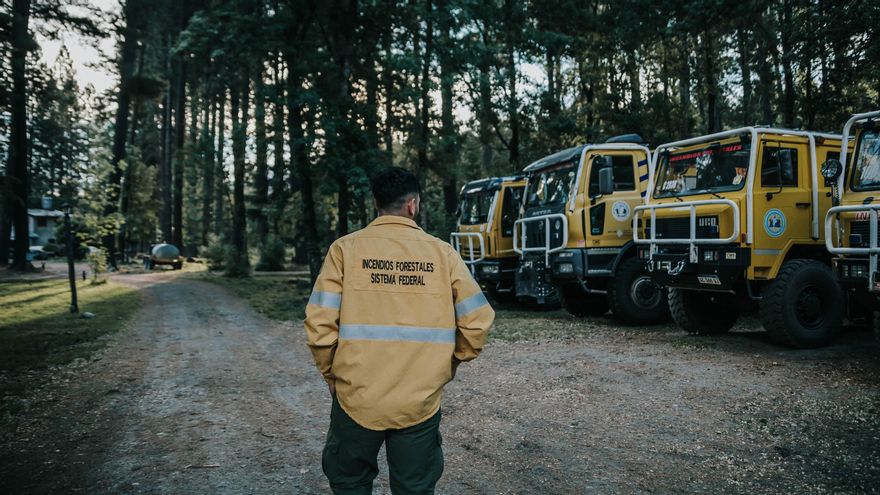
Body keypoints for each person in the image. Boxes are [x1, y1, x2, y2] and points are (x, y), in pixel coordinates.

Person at [304, 167, 495, 494]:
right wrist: (448, 365)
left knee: (350, 482)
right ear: (413, 205)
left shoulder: (344, 251)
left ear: (376, 202)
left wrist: (331, 376)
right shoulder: (442, 253)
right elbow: (477, 320)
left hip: (356, 398)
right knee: (415, 488)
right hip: (418, 401)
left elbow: (319, 325)